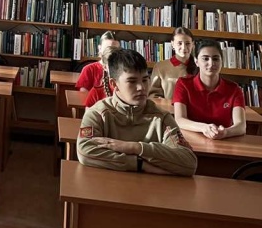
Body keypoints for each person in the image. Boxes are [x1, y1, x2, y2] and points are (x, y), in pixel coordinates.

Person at [76, 48, 197, 176]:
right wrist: (139, 164)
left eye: (145, 80)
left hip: (151, 188)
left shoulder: (161, 118)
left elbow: (189, 163)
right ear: (114, 84)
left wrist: (135, 147)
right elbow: (85, 151)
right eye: (132, 81)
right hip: (108, 185)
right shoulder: (98, 114)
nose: (141, 87)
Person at [172, 39, 246, 139]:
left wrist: (225, 132)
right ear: (196, 61)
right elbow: (179, 120)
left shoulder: (234, 89)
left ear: (222, 61)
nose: (211, 63)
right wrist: (204, 128)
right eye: (205, 59)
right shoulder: (183, 84)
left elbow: (241, 126)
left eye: (215, 59)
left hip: (223, 142)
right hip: (190, 142)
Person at [149, 28, 196, 100]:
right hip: (168, 107)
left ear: (193, 44)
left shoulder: (200, 66)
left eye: (187, 43)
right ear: (172, 44)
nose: (184, 47)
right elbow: (153, 95)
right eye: (179, 43)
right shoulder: (160, 67)